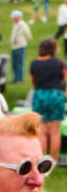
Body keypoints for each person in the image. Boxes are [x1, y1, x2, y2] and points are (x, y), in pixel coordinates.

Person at [30, 37, 66, 167]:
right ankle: (54, 160)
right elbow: (65, 79)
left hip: (40, 94)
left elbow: (33, 82)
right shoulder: (58, 63)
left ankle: (42, 159)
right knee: (55, 131)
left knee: (42, 129)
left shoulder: (34, 64)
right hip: (56, 95)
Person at [10, 8, 32, 83]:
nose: (13, 19)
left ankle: (20, 79)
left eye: (14, 18)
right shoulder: (15, 25)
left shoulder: (23, 25)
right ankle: (15, 78)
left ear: (18, 17)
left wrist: (22, 41)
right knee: (14, 63)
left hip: (20, 46)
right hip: (14, 46)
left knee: (19, 63)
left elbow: (28, 36)